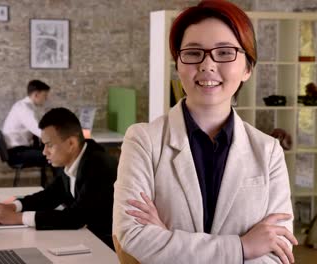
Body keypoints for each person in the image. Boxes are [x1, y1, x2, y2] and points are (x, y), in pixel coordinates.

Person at [113, 1, 297, 263]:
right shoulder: (144, 141)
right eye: (193, 53)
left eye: (224, 53)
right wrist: (242, 247)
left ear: (247, 68)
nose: (207, 65)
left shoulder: (268, 151)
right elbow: (133, 236)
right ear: (178, 64)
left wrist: (166, 239)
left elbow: (277, 253)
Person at [0, 107, 118, 249]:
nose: (44, 152)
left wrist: (18, 218)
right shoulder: (74, 160)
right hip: (87, 240)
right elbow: (50, 196)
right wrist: (13, 206)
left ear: (71, 144)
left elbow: (76, 218)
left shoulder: (98, 165)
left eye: (49, 145)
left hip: (108, 248)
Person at [1, 80, 50, 170]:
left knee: (53, 153)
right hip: (17, 154)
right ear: (36, 95)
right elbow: (39, 131)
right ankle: (61, 183)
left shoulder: (22, 106)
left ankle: (58, 183)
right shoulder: (24, 109)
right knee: (57, 156)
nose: (46, 99)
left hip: (18, 151)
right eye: (45, 95)